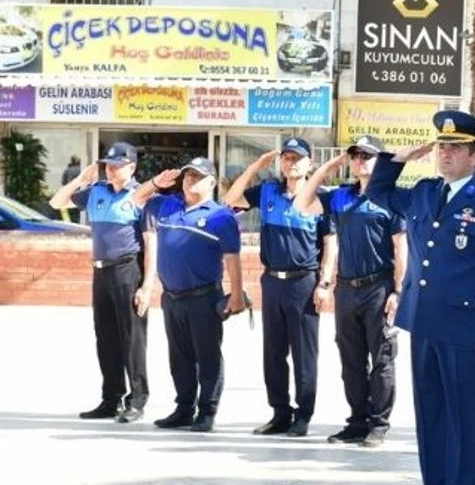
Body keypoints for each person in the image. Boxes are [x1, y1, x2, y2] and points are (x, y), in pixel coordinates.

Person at [365, 111, 475, 485]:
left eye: (456, 148)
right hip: (425, 321)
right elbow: (378, 192)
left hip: (468, 329)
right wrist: (398, 158)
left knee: (465, 418)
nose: (446, 154)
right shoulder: (425, 193)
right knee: (430, 415)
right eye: (442, 146)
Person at [294, 135, 407, 447]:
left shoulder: (389, 198)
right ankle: (357, 420)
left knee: (382, 358)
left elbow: (402, 248)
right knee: (351, 360)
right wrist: (327, 168)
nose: (360, 160)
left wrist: (398, 291)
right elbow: (301, 203)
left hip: (379, 287)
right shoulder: (341, 196)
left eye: (367, 155)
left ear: (380, 161)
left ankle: (378, 423)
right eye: (355, 155)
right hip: (347, 288)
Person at [223, 138, 335, 438]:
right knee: (273, 353)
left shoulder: (320, 198)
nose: (291, 163)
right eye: (286, 157)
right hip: (272, 281)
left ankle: (303, 415)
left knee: (304, 354)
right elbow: (232, 199)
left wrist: (324, 282)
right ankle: (280, 413)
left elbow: (330, 243)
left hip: (303, 283)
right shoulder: (268, 191)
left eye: (297, 158)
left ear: (310, 163)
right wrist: (255, 166)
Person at [129, 157, 245, 433]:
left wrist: (237, 294)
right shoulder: (167, 205)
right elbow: (136, 198)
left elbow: (232, 258)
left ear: (212, 182)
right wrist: (155, 183)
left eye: (198, 176)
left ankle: (207, 411)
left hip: (204, 298)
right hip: (172, 297)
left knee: (207, 357)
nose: (191, 180)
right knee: (179, 357)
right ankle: (183, 409)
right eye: (188, 175)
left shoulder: (221, 216)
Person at [49, 142, 153, 424]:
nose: (111, 170)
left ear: (132, 167)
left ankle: (137, 400)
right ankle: (111, 399)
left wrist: (146, 286)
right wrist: (81, 179)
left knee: (132, 337)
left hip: (127, 269)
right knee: (105, 337)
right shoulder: (96, 191)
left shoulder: (141, 195)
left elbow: (151, 243)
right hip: (101, 271)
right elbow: (57, 202)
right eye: (108, 165)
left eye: (117, 165)